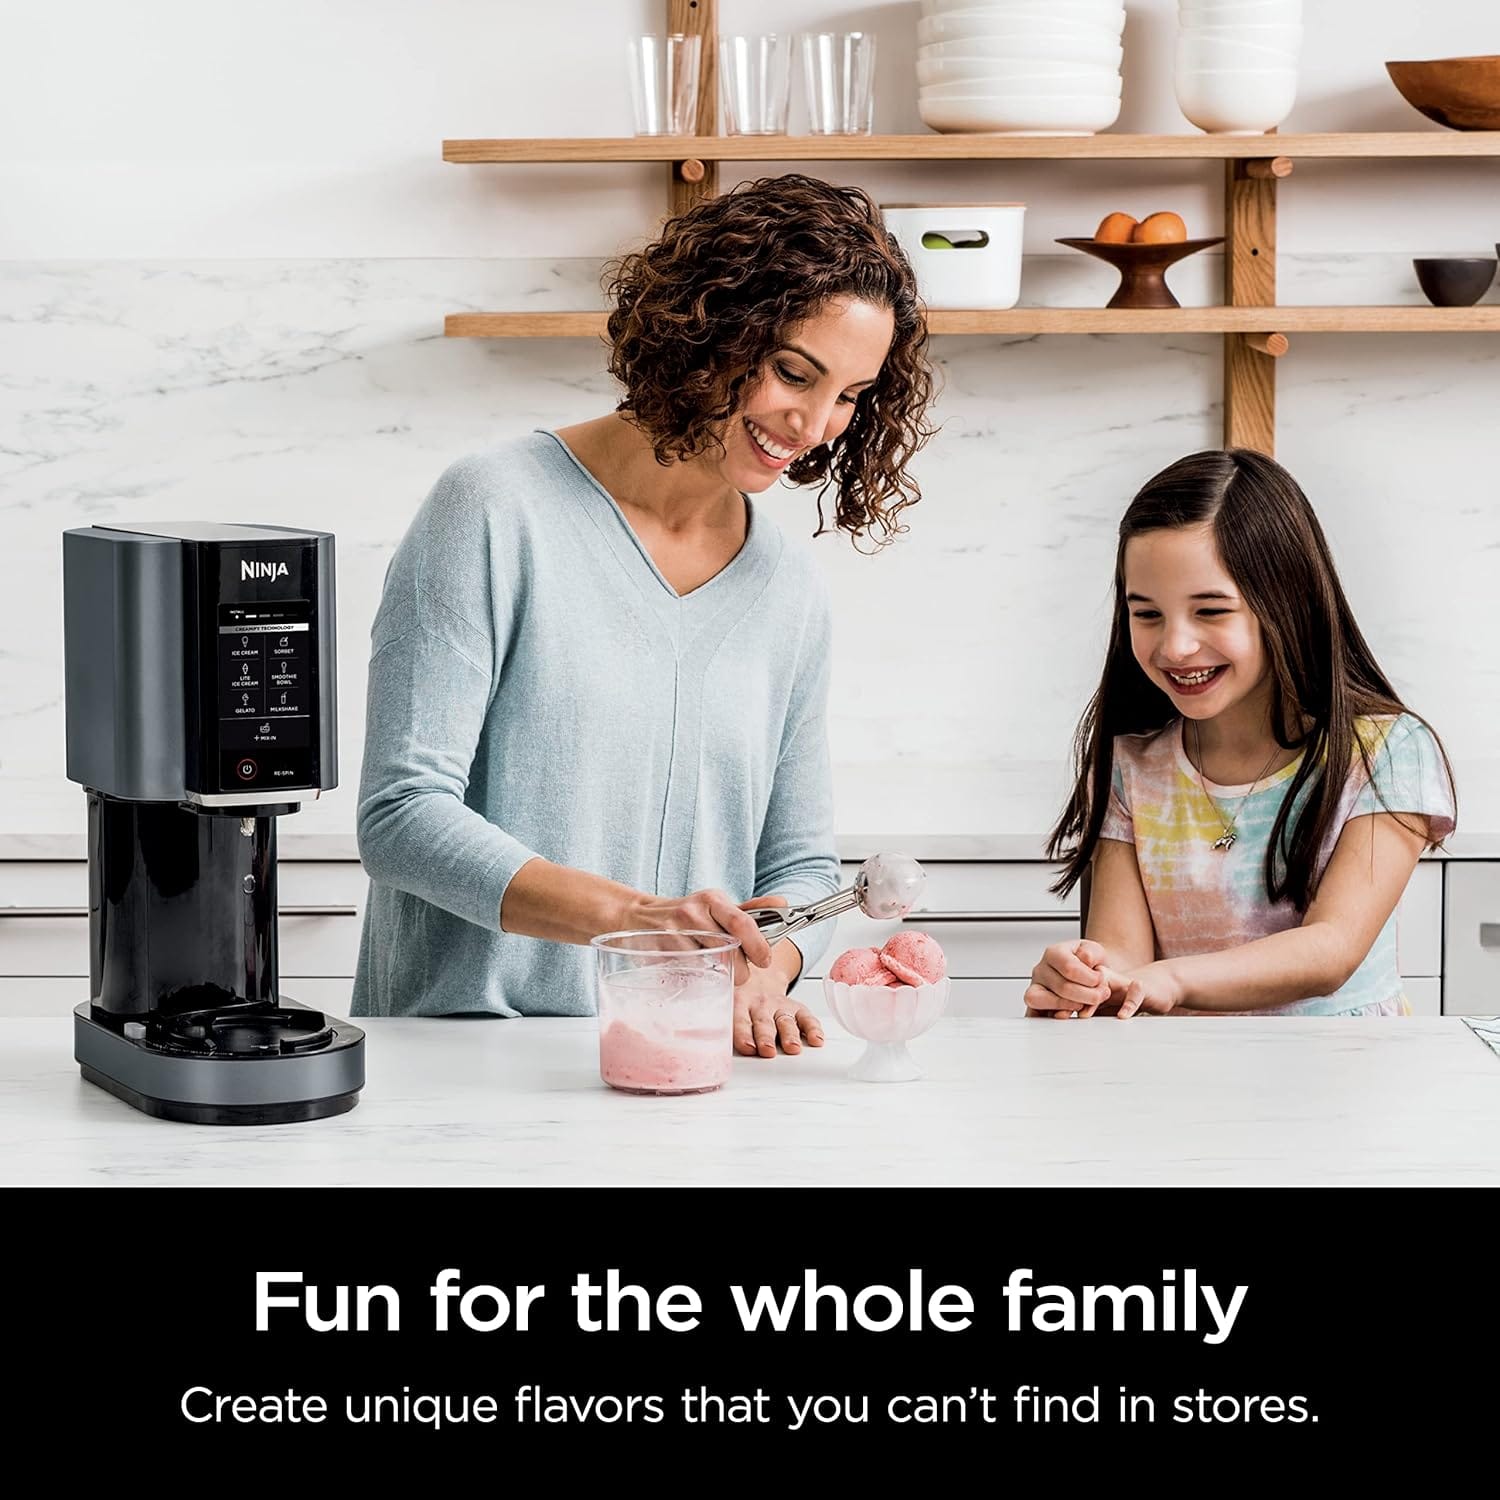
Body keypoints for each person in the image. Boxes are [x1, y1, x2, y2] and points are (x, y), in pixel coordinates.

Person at [352, 174, 935, 1057]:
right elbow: (402, 818)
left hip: (687, 1063)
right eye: (792, 371)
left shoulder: (787, 588)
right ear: (710, 331)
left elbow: (801, 869)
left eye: (850, 395)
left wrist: (761, 969)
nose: (816, 423)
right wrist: (637, 922)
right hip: (466, 1057)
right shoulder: (495, 509)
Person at [1028, 448, 1456, 1019]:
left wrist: (1171, 979)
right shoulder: (1131, 766)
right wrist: (1087, 982)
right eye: (1147, 614)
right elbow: (1125, 967)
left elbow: (1332, 950)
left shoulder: (1385, 752)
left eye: (1210, 611)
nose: (1174, 646)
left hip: (1348, 1082)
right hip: (1192, 1086)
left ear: (1287, 603)